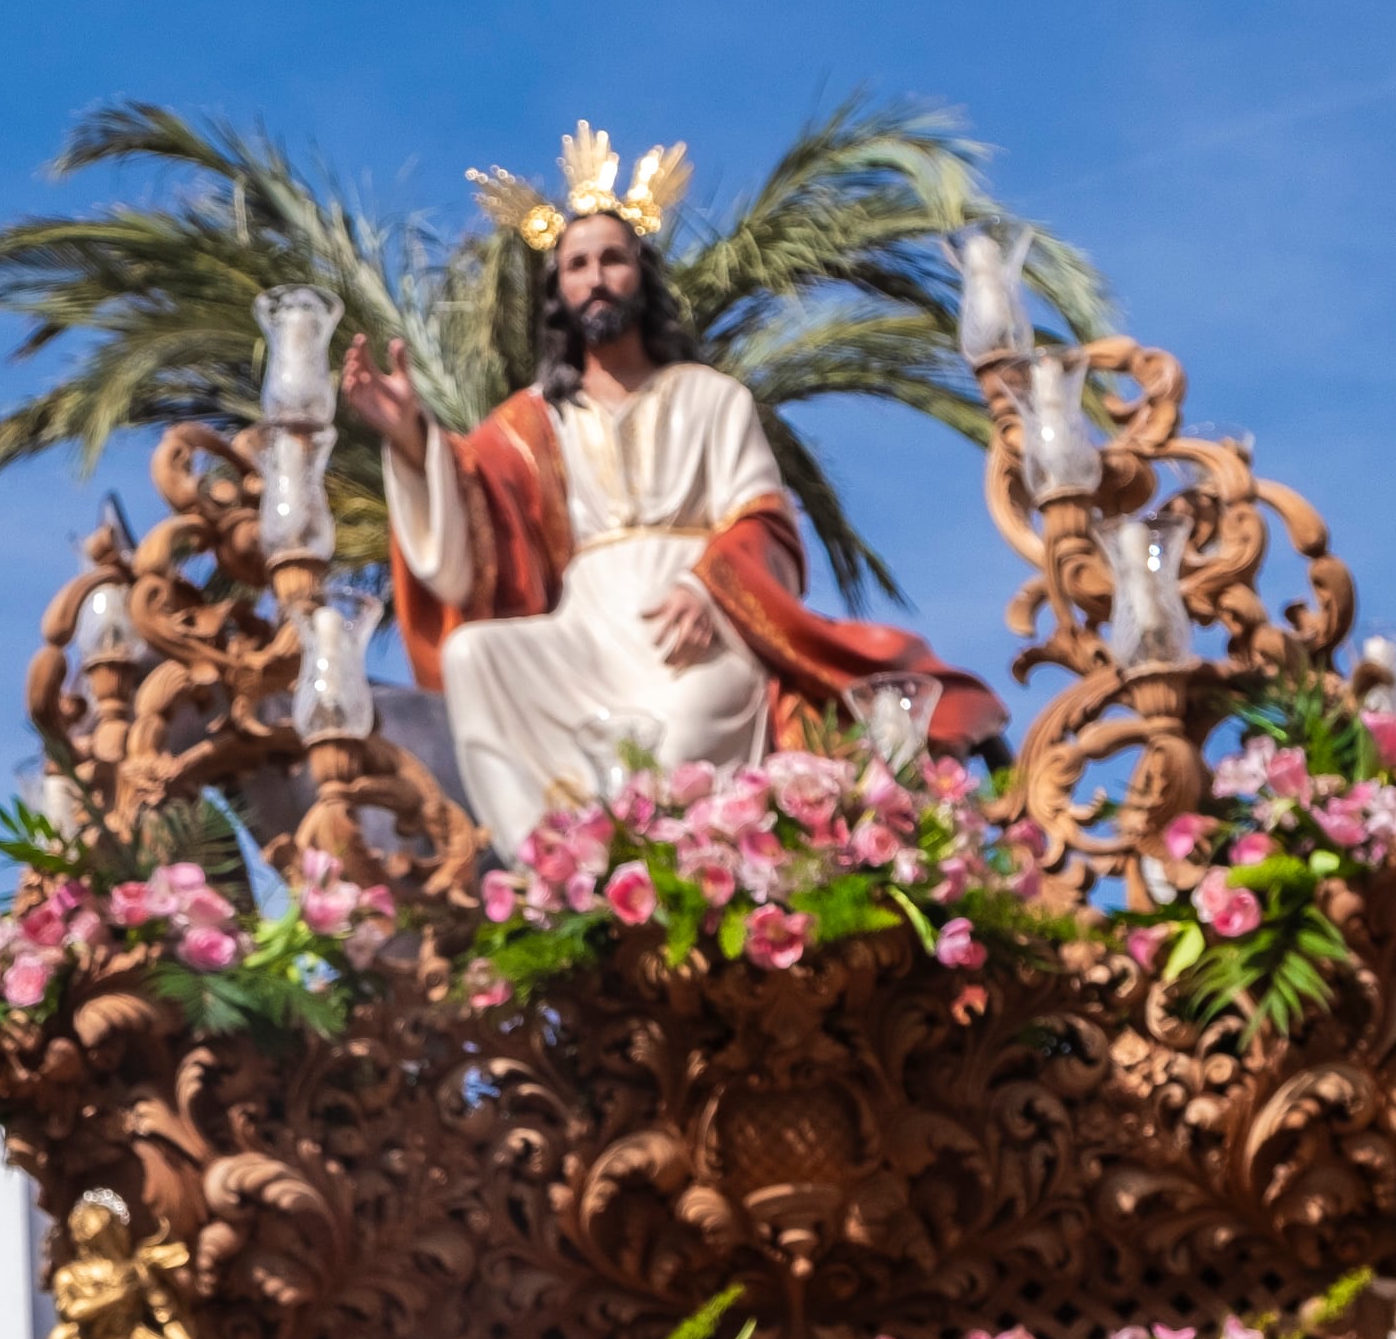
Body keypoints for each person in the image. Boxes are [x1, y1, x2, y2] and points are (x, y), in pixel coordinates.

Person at [338, 133, 983, 852]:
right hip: (584, 628)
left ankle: (653, 873)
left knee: (692, 722)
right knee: (474, 658)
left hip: (691, 623)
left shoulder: (711, 399)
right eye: (576, 265)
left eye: (612, 258)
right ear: (558, 290)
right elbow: (466, 525)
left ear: (641, 275)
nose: (596, 277)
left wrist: (709, 591)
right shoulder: (531, 421)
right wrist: (410, 438)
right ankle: (546, 870)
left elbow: (764, 521)